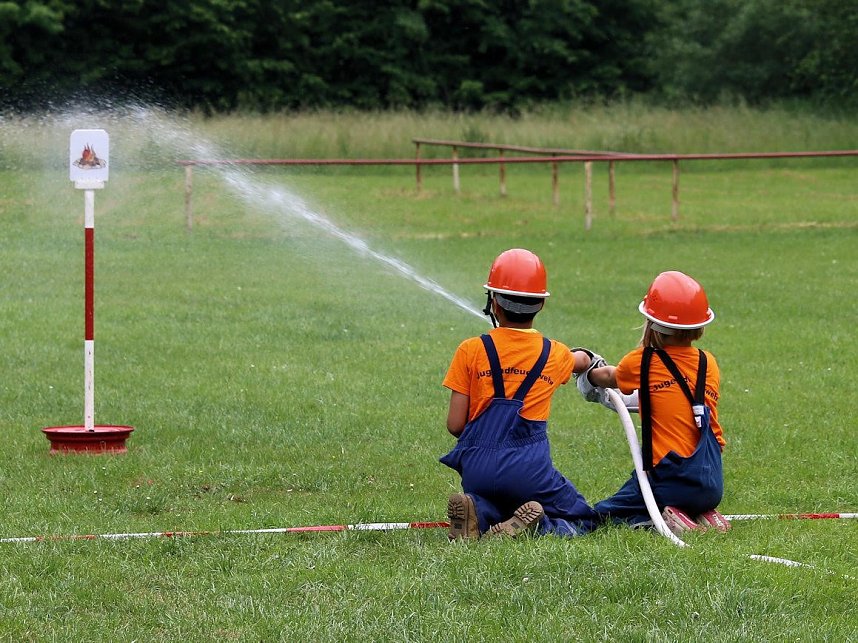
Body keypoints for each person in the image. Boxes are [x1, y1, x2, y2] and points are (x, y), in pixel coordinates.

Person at [440, 248, 599, 540]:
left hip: (477, 470)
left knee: (495, 500)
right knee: (582, 517)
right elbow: (582, 361)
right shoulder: (554, 353)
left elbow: (455, 425)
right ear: (540, 304)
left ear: (494, 304)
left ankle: (479, 512)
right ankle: (537, 529)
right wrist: (587, 357)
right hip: (529, 470)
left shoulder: (470, 349)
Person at [583, 270, 730, 535]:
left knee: (604, 515)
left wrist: (587, 369)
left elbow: (609, 377)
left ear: (652, 323)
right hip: (710, 481)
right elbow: (670, 397)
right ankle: (704, 514)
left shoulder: (644, 361)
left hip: (669, 480)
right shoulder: (709, 363)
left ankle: (669, 520)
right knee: (689, 496)